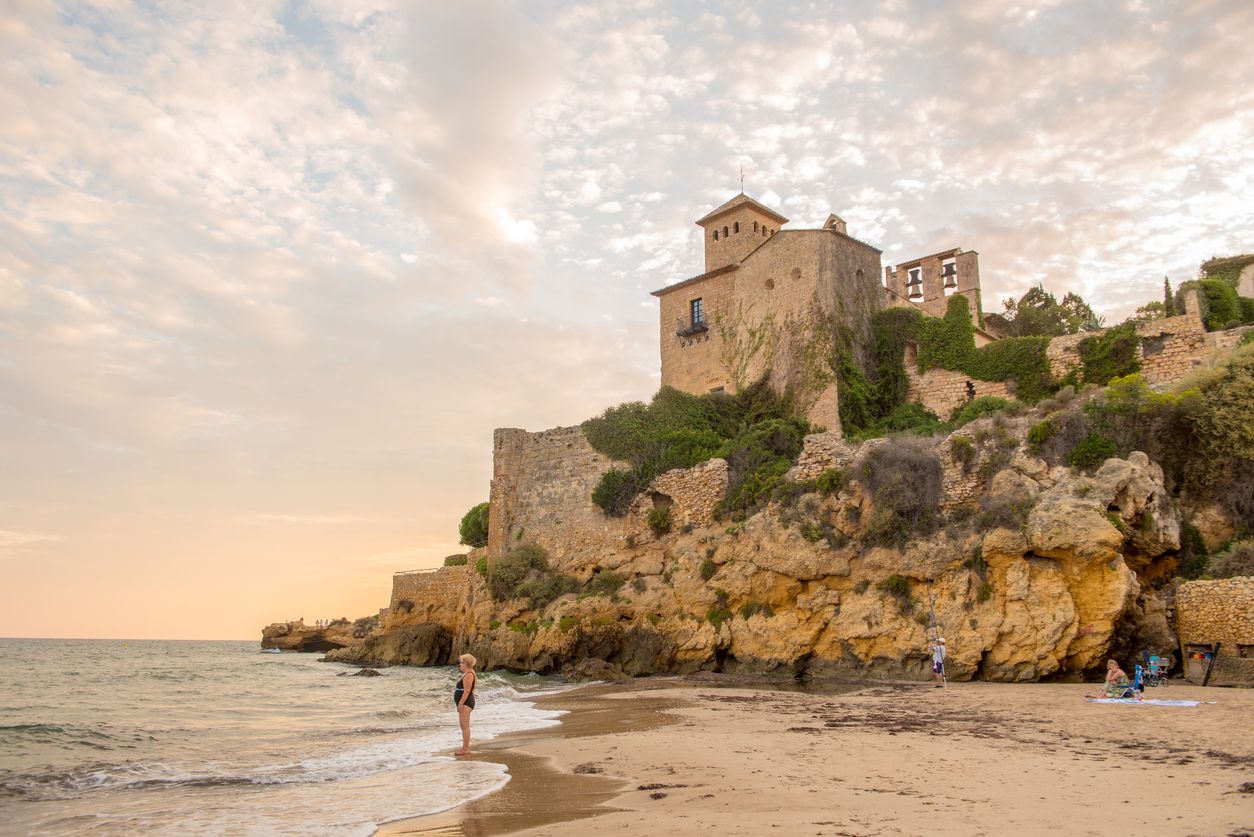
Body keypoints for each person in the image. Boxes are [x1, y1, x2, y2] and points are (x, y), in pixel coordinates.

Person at [453, 653, 477, 755]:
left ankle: (466, 749)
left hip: (466, 703)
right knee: (464, 726)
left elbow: (467, 691)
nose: (460, 664)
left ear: (466, 663)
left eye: (461, 662)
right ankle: (465, 747)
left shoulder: (469, 675)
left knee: (465, 726)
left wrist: (460, 704)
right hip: (466, 702)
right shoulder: (468, 673)